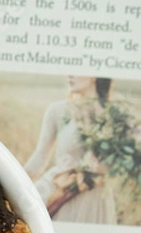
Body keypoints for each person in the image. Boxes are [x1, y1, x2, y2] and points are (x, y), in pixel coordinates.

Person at [24, 76, 118, 224]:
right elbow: (40, 156)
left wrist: (102, 167)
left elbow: (119, 164)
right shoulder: (57, 110)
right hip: (60, 187)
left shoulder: (114, 115)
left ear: (95, 76)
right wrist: (15, 184)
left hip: (95, 197)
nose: (70, 75)